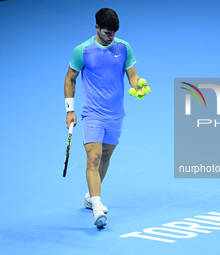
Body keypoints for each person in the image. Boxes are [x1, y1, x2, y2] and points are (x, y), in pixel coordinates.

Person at [64, 8, 146, 228]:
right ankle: (97, 207)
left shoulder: (124, 47)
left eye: (114, 33)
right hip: (92, 113)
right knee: (94, 158)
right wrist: (70, 110)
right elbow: (70, 79)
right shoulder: (82, 51)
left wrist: (140, 85)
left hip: (115, 114)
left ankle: (91, 197)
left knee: (106, 156)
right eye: (107, 32)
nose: (111, 37)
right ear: (97, 28)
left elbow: (133, 76)